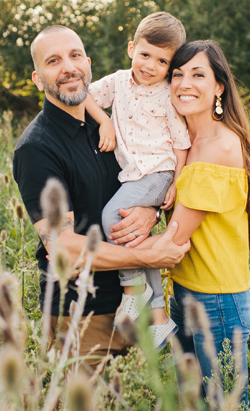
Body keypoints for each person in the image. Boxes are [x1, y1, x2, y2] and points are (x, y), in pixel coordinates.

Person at [12, 25, 191, 368]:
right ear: (38, 79)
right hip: (81, 314)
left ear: (89, 64)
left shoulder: (110, 127)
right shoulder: (37, 148)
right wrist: (152, 257)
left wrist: (152, 211)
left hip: (133, 309)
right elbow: (62, 245)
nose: (68, 68)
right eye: (53, 61)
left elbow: (143, 181)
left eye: (75, 56)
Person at [163, 40, 250, 406]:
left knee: (222, 408)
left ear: (219, 87)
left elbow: (172, 241)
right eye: (177, 74)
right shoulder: (182, 140)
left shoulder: (220, 147)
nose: (184, 84)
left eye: (198, 74)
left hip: (217, 298)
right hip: (183, 291)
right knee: (191, 403)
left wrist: (95, 253)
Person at [82, 12, 190, 348]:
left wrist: (175, 182)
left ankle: (133, 292)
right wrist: (104, 121)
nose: (150, 65)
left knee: (113, 218)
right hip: (133, 176)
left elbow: (180, 143)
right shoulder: (116, 82)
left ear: (170, 67)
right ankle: (158, 316)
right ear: (131, 48)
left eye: (162, 61)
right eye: (145, 54)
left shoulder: (167, 94)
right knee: (130, 229)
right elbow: (85, 94)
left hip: (157, 172)